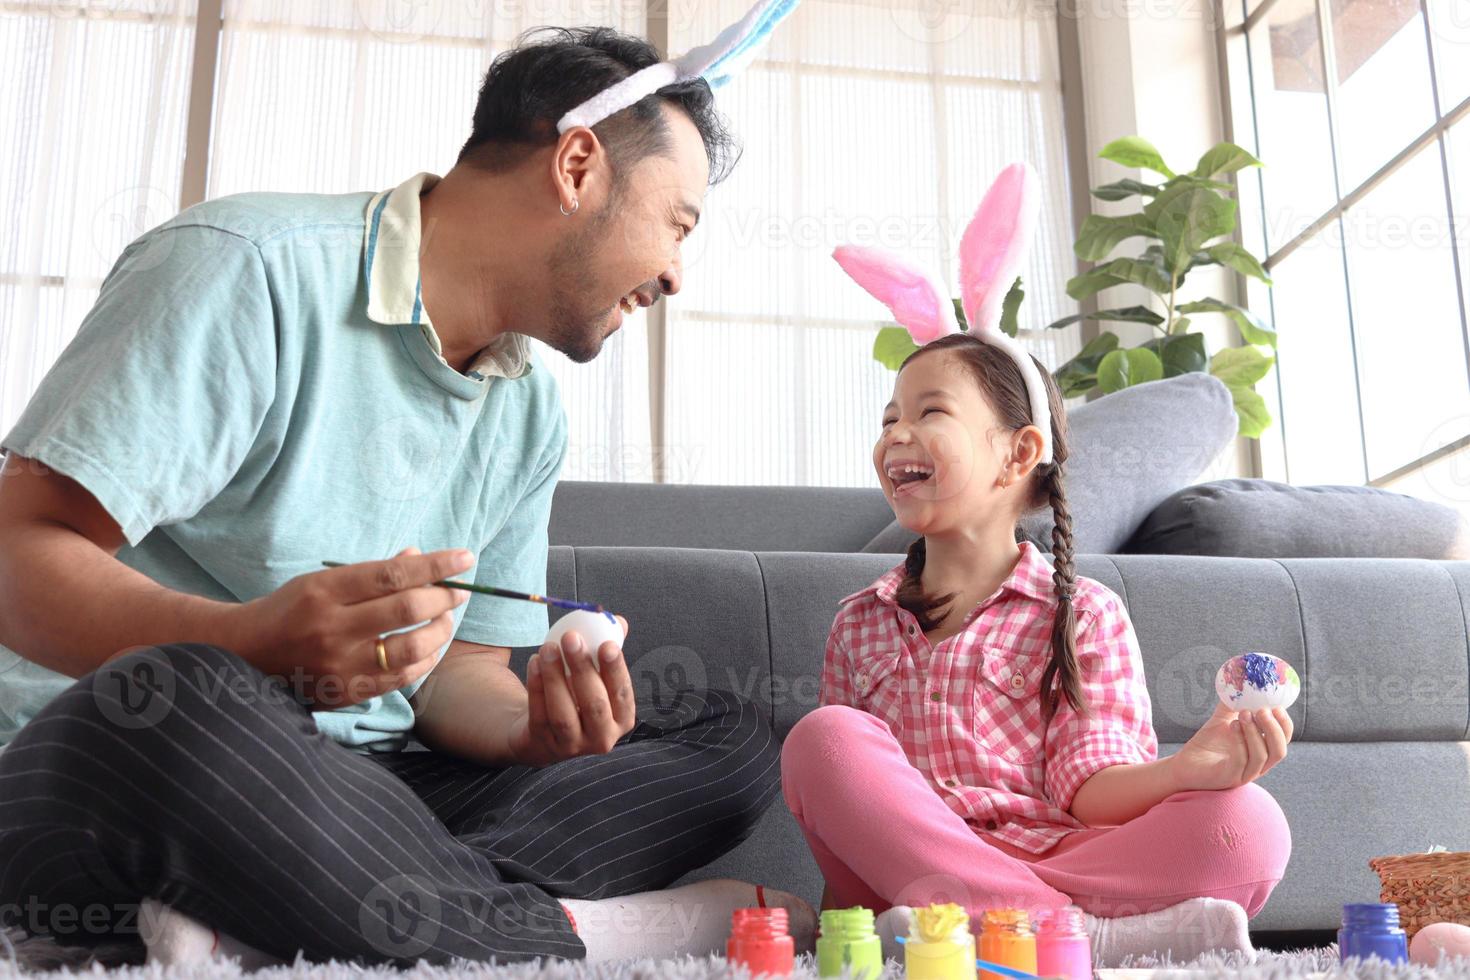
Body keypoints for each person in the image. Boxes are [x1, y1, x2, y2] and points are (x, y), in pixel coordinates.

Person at [0, 26, 813, 967]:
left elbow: (459, 677)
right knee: (178, 693)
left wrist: (531, 730)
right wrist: (255, 643)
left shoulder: (528, 408)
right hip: (130, 762)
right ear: (579, 164)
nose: (676, 271)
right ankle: (568, 935)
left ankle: (278, 908)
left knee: (729, 736)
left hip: (369, 792)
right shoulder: (247, 268)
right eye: (678, 223)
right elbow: (17, 554)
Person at [780, 331, 1294, 966]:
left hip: (1056, 857)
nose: (896, 433)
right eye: (890, 418)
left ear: (1019, 452)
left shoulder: (1085, 611)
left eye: (929, 411)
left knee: (1252, 825)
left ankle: (1004, 928)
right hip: (909, 877)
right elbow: (847, 808)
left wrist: (1187, 771)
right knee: (822, 736)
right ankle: (1078, 938)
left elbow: (1090, 789)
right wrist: (842, 929)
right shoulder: (859, 623)